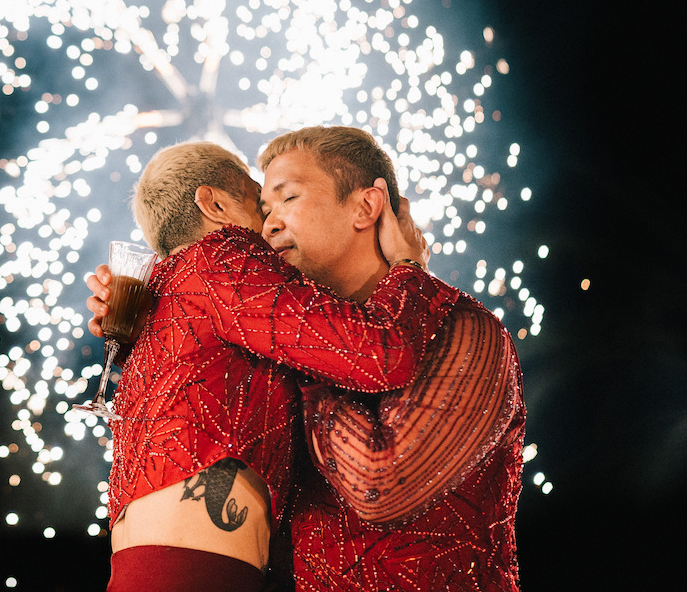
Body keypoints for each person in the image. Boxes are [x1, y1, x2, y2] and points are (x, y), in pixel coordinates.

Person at [90, 127, 526, 590]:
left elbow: (381, 482)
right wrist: (167, 330)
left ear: (366, 206)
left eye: (285, 199)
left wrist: (408, 272)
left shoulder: (457, 326)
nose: (269, 224)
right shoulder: (265, 333)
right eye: (264, 209)